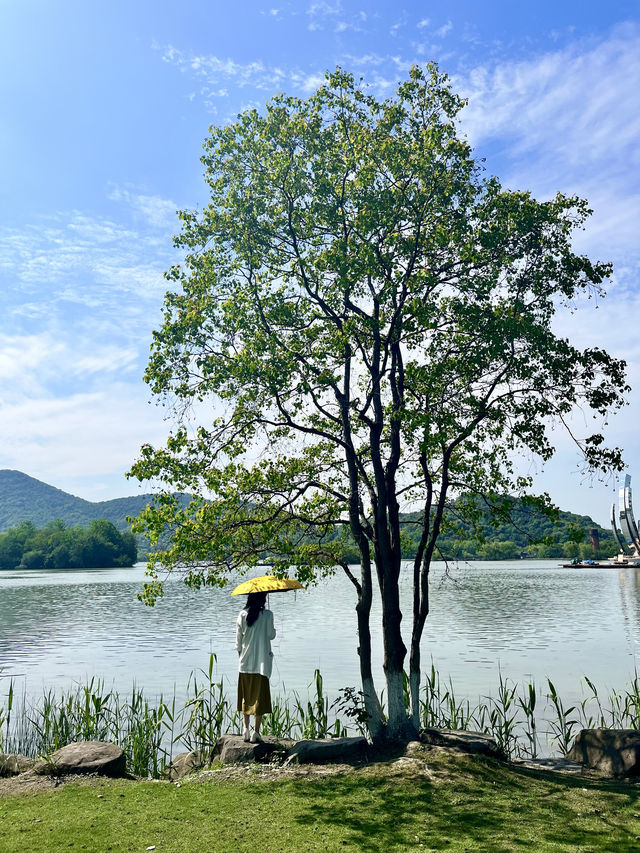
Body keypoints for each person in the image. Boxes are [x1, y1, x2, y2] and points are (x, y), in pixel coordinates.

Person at [236, 590, 276, 742]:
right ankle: (255, 732)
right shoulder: (267, 615)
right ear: (263, 599)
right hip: (262, 664)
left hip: (245, 663)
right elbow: (271, 635)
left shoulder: (242, 615)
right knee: (259, 697)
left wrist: (240, 660)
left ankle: (245, 729)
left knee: (246, 696)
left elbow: (238, 643)